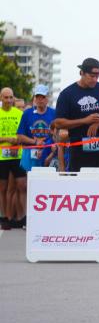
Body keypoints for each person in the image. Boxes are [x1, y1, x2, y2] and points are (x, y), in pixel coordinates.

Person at [51, 57, 99, 173]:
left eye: (97, 76)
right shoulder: (67, 94)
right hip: (79, 151)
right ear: (81, 73)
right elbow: (58, 123)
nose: (95, 79)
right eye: (91, 76)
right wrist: (85, 121)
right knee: (81, 186)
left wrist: (98, 120)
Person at [0, 87, 24, 229]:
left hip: (17, 154)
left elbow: (23, 133)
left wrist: (18, 140)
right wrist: (7, 138)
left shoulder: (19, 113)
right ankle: (4, 217)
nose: (9, 100)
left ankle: (22, 217)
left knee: (21, 185)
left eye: (11, 97)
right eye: (6, 98)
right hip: (1, 157)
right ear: (1, 99)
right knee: (2, 188)